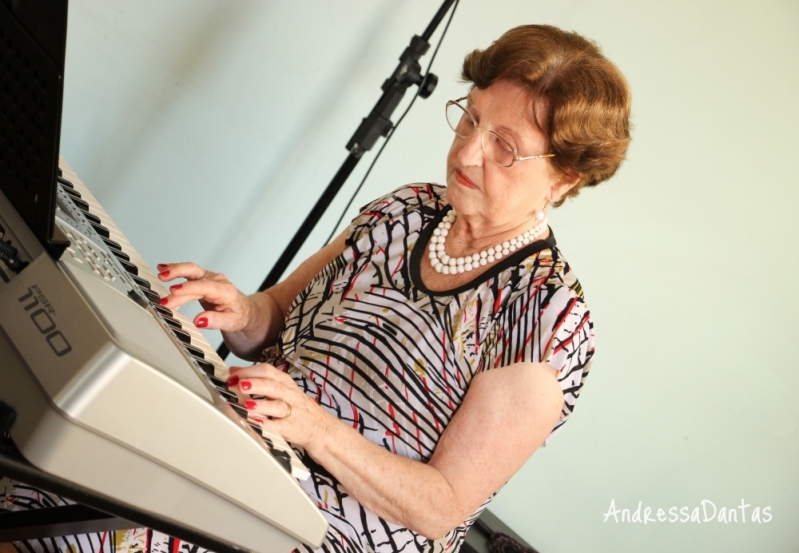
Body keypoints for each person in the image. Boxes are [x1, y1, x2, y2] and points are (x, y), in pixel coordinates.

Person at [3, 23, 630, 553]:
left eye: (504, 147)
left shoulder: (549, 318)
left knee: (70, 513)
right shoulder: (406, 210)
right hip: (243, 447)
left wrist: (314, 429)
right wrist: (241, 309)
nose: (467, 154)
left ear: (564, 178)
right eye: (469, 121)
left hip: (322, 529)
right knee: (43, 450)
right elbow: (276, 317)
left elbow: (440, 510)